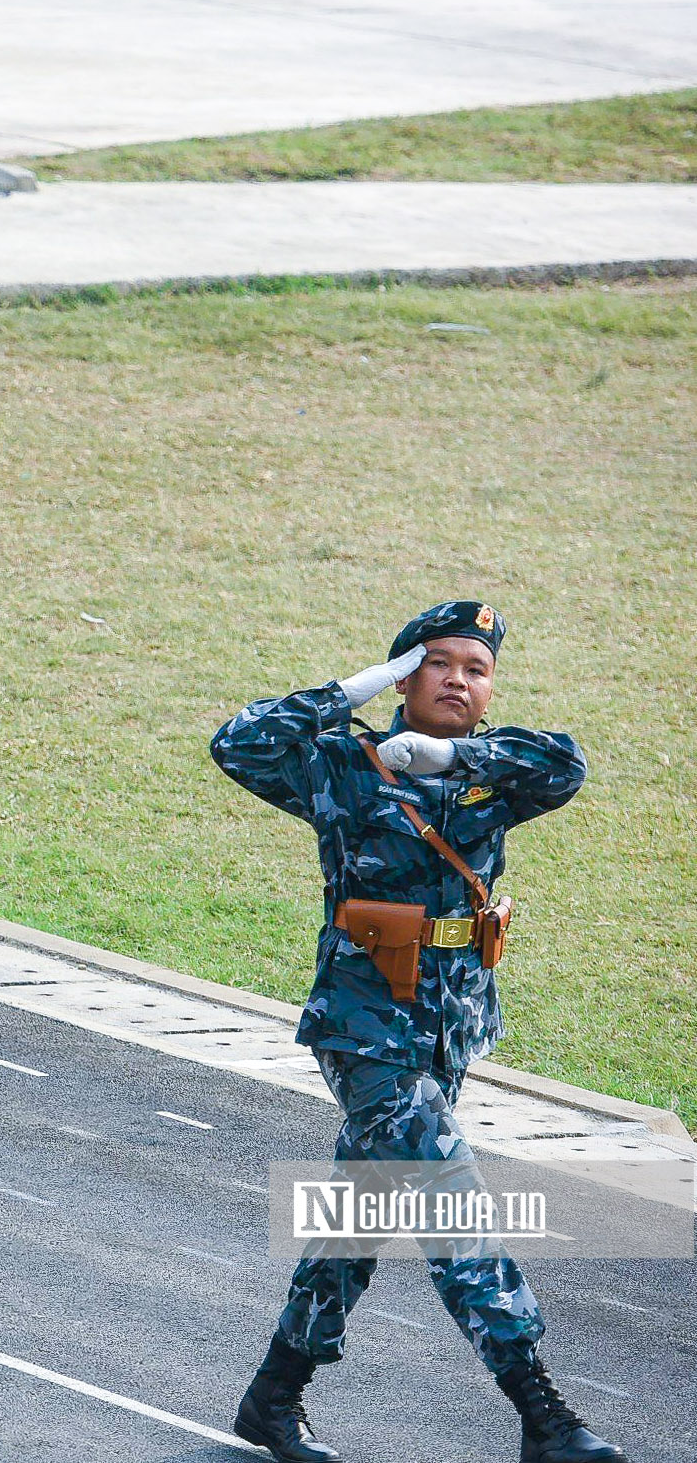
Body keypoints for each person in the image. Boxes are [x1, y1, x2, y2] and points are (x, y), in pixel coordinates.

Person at [211, 603, 618, 1463]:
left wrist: (454, 754)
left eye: (476, 667)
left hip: (449, 1028)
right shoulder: (342, 765)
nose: (458, 679)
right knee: (447, 1197)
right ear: (405, 675)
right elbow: (237, 744)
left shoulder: (494, 769)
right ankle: (542, 1413)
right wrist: (348, 692)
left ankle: (274, 1394)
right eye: (438, 662)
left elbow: (568, 764)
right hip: (366, 1026)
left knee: (359, 1212)